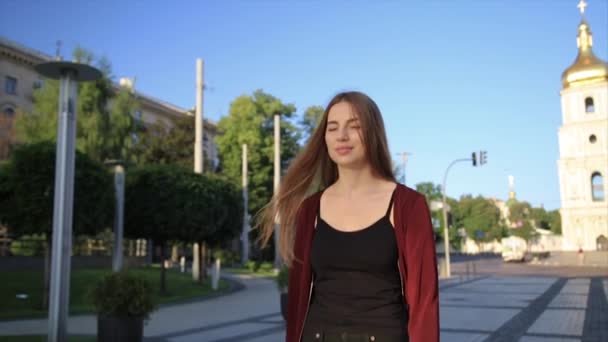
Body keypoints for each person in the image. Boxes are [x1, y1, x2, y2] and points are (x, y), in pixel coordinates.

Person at [258, 91, 439, 342]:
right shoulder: (311, 208)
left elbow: (424, 301)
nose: (341, 136)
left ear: (373, 133)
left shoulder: (408, 205)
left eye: (354, 126)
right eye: (332, 128)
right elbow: (299, 296)